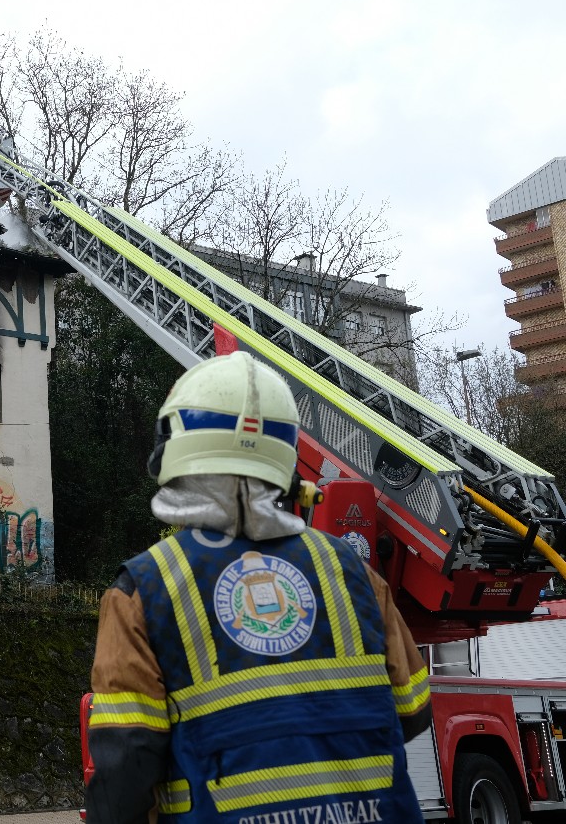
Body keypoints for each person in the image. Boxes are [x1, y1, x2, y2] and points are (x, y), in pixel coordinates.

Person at [86, 351, 432, 824]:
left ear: (177, 455)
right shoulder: (352, 571)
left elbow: (126, 762)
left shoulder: (143, 589)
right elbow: (413, 710)